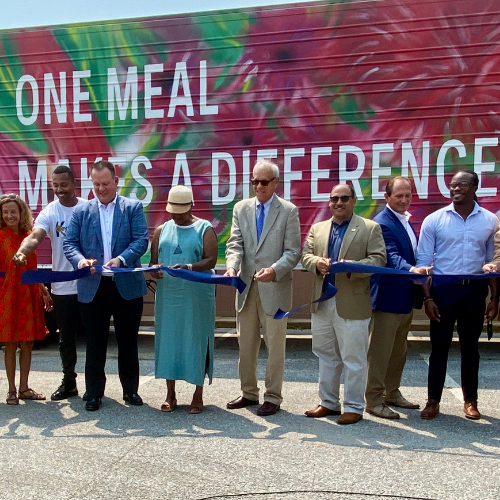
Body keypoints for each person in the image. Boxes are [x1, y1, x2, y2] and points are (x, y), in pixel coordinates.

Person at [63, 160, 149, 411]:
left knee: (128, 341)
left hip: (126, 286)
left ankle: (130, 390)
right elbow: (70, 244)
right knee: (95, 342)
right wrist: (80, 261)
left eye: (105, 184)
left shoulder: (133, 207)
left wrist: (121, 260)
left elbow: (141, 240)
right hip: (93, 286)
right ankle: (94, 393)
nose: (100, 189)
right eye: (96, 184)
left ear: (116, 182)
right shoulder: (81, 211)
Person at [302, 183, 386, 425]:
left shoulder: (369, 228)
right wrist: (316, 262)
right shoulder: (317, 228)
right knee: (326, 355)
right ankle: (328, 402)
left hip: (352, 303)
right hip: (323, 301)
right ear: (329, 201)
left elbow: (379, 259)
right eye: (334, 198)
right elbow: (305, 255)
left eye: (344, 198)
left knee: (353, 358)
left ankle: (353, 406)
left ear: (353, 201)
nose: (338, 203)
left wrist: (353, 266)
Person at [417, 170, 498, 421]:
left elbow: (493, 262)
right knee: (438, 347)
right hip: (443, 290)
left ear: (475, 188)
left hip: (474, 291)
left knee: (470, 348)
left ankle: (471, 401)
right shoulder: (434, 220)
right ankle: (433, 401)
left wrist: (495, 299)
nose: (455, 189)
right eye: (452, 185)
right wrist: (427, 298)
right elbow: (422, 263)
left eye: (462, 185)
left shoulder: (489, 221)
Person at [224, 159, 301, 416]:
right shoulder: (241, 208)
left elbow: (293, 252)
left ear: (276, 183)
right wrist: (232, 267)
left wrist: (275, 269)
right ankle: (248, 392)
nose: (258, 186)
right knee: (245, 346)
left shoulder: (288, 211)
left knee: (275, 347)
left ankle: (273, 397)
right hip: (246, 288)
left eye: (264, 182)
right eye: (254, 181)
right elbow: (235, 243)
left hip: (275, 288)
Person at [13, 165, 86, 401]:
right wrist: (22, 252)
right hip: (63, 287)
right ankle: (69, 382)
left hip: (90, 284)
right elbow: (35, 236)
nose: (59, 190)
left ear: (74, 184)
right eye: (55, 185)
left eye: (64, 184)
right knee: (66, 339)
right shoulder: (50, 211)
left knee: (97, 337)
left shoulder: (87, 208)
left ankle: (96, 386)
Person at [149, 185, 218, 414]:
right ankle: (171, 394)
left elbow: (210, 260)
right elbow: (154, 262)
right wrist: (154, 270)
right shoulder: (161, 230)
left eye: (180, 211)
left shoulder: (204, 229)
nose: (176, 216)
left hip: (197, 296)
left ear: (191, 207)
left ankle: (198, 395)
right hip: (169, 295)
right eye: (172, 211)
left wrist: (188, 267)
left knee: (196, 340)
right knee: (169, 342)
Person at [366, 177, 428, 419]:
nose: (404, 200)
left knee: (398, 350)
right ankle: (373, 400)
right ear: (387, 197)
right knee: (380, 352)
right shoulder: (382, 223)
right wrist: (411, 270)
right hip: (387, 298)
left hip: (404, 297)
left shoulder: (404, 220)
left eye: (407, 195)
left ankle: (391, 392)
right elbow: (391, 256)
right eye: (399, 196)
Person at [0, 194, 53, 405]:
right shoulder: (0, 236)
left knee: (28, 343)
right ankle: (11, 390)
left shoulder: (30, 236)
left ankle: (24, 388)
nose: (9, 215)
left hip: (28, 294)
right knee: (10, 344)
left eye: (13, 211)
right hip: (7, 295)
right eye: (5, 212)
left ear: (21, 212)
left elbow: (32, 269)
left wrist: (43, 290)